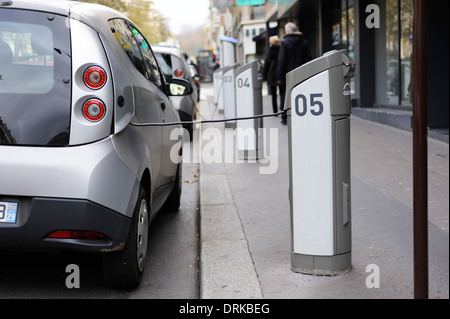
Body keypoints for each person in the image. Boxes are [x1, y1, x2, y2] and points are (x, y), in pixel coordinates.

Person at [277, 22, 313, 124]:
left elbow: (282, 61)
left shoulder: (284, 42)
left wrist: (279, 76)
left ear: (287, 31)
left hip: (288, 75)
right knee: (302, 94)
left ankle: (285, 117)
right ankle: (302, 115)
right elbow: (309, 58)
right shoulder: (304, 42)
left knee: (286, 95)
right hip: (302, 74)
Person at [263, 36, 281, 115]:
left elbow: (266, 65)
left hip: (272, 75)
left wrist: (265, 77)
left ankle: (275, 111)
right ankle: (283, 107)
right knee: (282, 92)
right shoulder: (281, 49)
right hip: (280, 73)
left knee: (274, 95)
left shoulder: (269, 52)